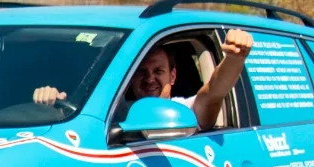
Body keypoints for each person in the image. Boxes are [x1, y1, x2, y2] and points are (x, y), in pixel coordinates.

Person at [34, 28, 255, 131]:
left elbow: (214, 92)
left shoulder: (185, 109)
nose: (149, 78)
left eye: (158, 71)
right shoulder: (113, 112)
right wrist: (52, 102)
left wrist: (236, 58)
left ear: (173, 76)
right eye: (141, 71)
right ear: (129, 79)